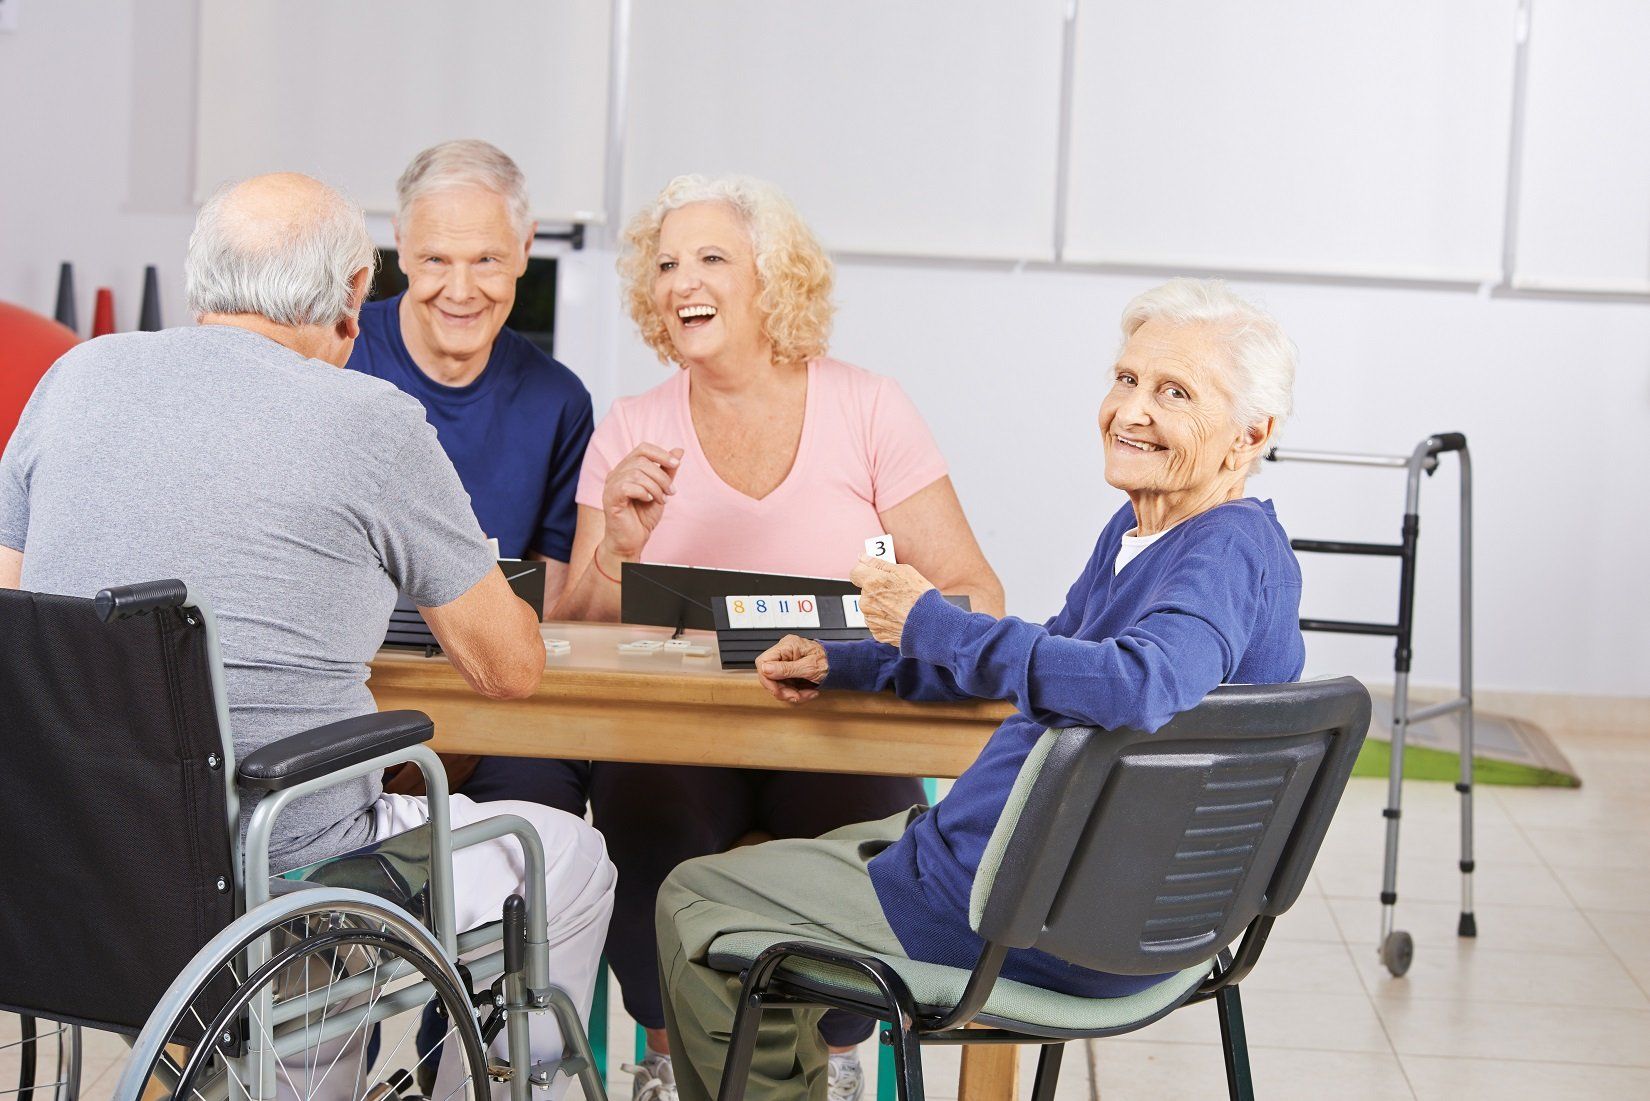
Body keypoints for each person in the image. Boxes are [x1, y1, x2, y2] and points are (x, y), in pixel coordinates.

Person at [0, 173, 614, 1099]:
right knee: (568, 854)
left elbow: (18, 617)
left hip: (80, 855)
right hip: (283, 864)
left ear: (204, 276)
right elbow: (510, 668)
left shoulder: (72, 378)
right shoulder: (368, 420)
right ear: (357, 292)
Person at [653, 278, 1308, 1101]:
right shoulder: (1153, 536)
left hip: (1015, 911)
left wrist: (930, 620)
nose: (1130, 410)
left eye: (1174, 392)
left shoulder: (1223, 553)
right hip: (1067, 894)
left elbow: (1141, 683)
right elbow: (1057, 661)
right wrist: (860, 658)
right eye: (1126, 378)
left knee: (694, 898)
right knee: (818, 853)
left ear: (1251, 435)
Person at [548, 174, 1004, 1101]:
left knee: (873, 841)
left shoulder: (868, 407)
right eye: (667, 263)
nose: (683, 282)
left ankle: (832, 1059)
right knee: (648, 832)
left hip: (837, 722)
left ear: (773, 281)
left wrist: (891, 612)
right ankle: (672, 1066)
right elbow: (574, 635)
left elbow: (973, 591)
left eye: (712, 258)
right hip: (679, 738)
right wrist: (617, 551)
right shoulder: (631, 426)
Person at [348, 139, 594, 815]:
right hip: (350, 698)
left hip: (499, 702)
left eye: (485, 259)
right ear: (398, 245)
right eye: (434, 260)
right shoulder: (334, 358)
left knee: (541, 828)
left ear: (524, 248)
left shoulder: (559, 400)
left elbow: (556, 605)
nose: (460, 290)